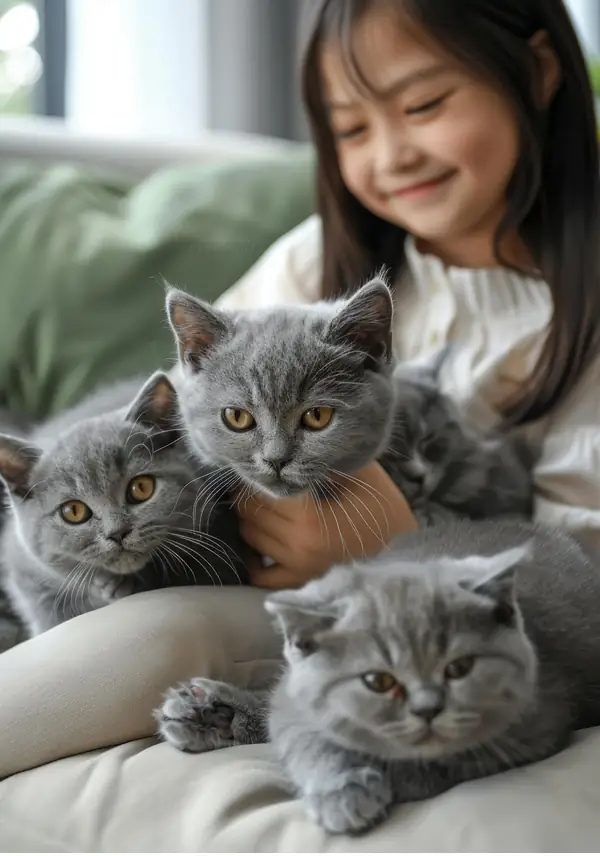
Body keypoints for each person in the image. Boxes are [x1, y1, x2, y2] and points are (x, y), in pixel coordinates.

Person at [219, 0, 600, 590]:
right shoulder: (313, 260)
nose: (392, 155)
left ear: (536, 72)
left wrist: (399, 547)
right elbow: (183, 404)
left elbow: (580, 575)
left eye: (423, 105)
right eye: (351, 129)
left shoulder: (581, 316)